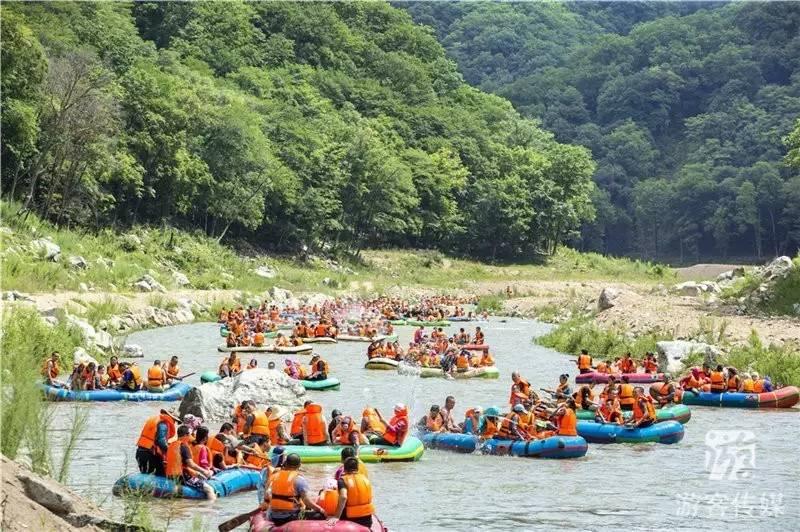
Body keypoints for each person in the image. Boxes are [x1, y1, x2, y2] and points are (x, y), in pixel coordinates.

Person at [266, 454, 326, 525]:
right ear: (299, 465)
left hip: (273, 516)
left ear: (286, 463)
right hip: (290, 517)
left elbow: (267, 495)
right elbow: (307, 501)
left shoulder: (274, 476)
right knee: (319, 515)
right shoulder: (299, 479)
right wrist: (320, 509)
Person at [165, 425, 216, 500]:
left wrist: (197, 474)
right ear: (186, 435)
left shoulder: (171, 445)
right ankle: (210, 509)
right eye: (189, 435)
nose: (190, 437)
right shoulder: (183, 446)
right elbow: (191, 464)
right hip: (182, 477)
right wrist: (204, 471)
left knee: (198, 476)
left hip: (170, 476)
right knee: (209, 489)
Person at [334, 457, 375, 527]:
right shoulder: (365, 479)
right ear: (357, 468)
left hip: (351, 519)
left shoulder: (342, 480)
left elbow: (343, 497)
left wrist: (336, 517)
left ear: (344, 468)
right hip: (367, 520)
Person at [136, 410, 179, 476]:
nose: (174, 423)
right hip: (150, 454)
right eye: (175, 421)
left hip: (140, 452)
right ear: (171, 418)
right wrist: (171, 452)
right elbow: (161, 441)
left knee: (145, 474)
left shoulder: (155, 420)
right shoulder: (163, 424)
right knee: (161, 474)